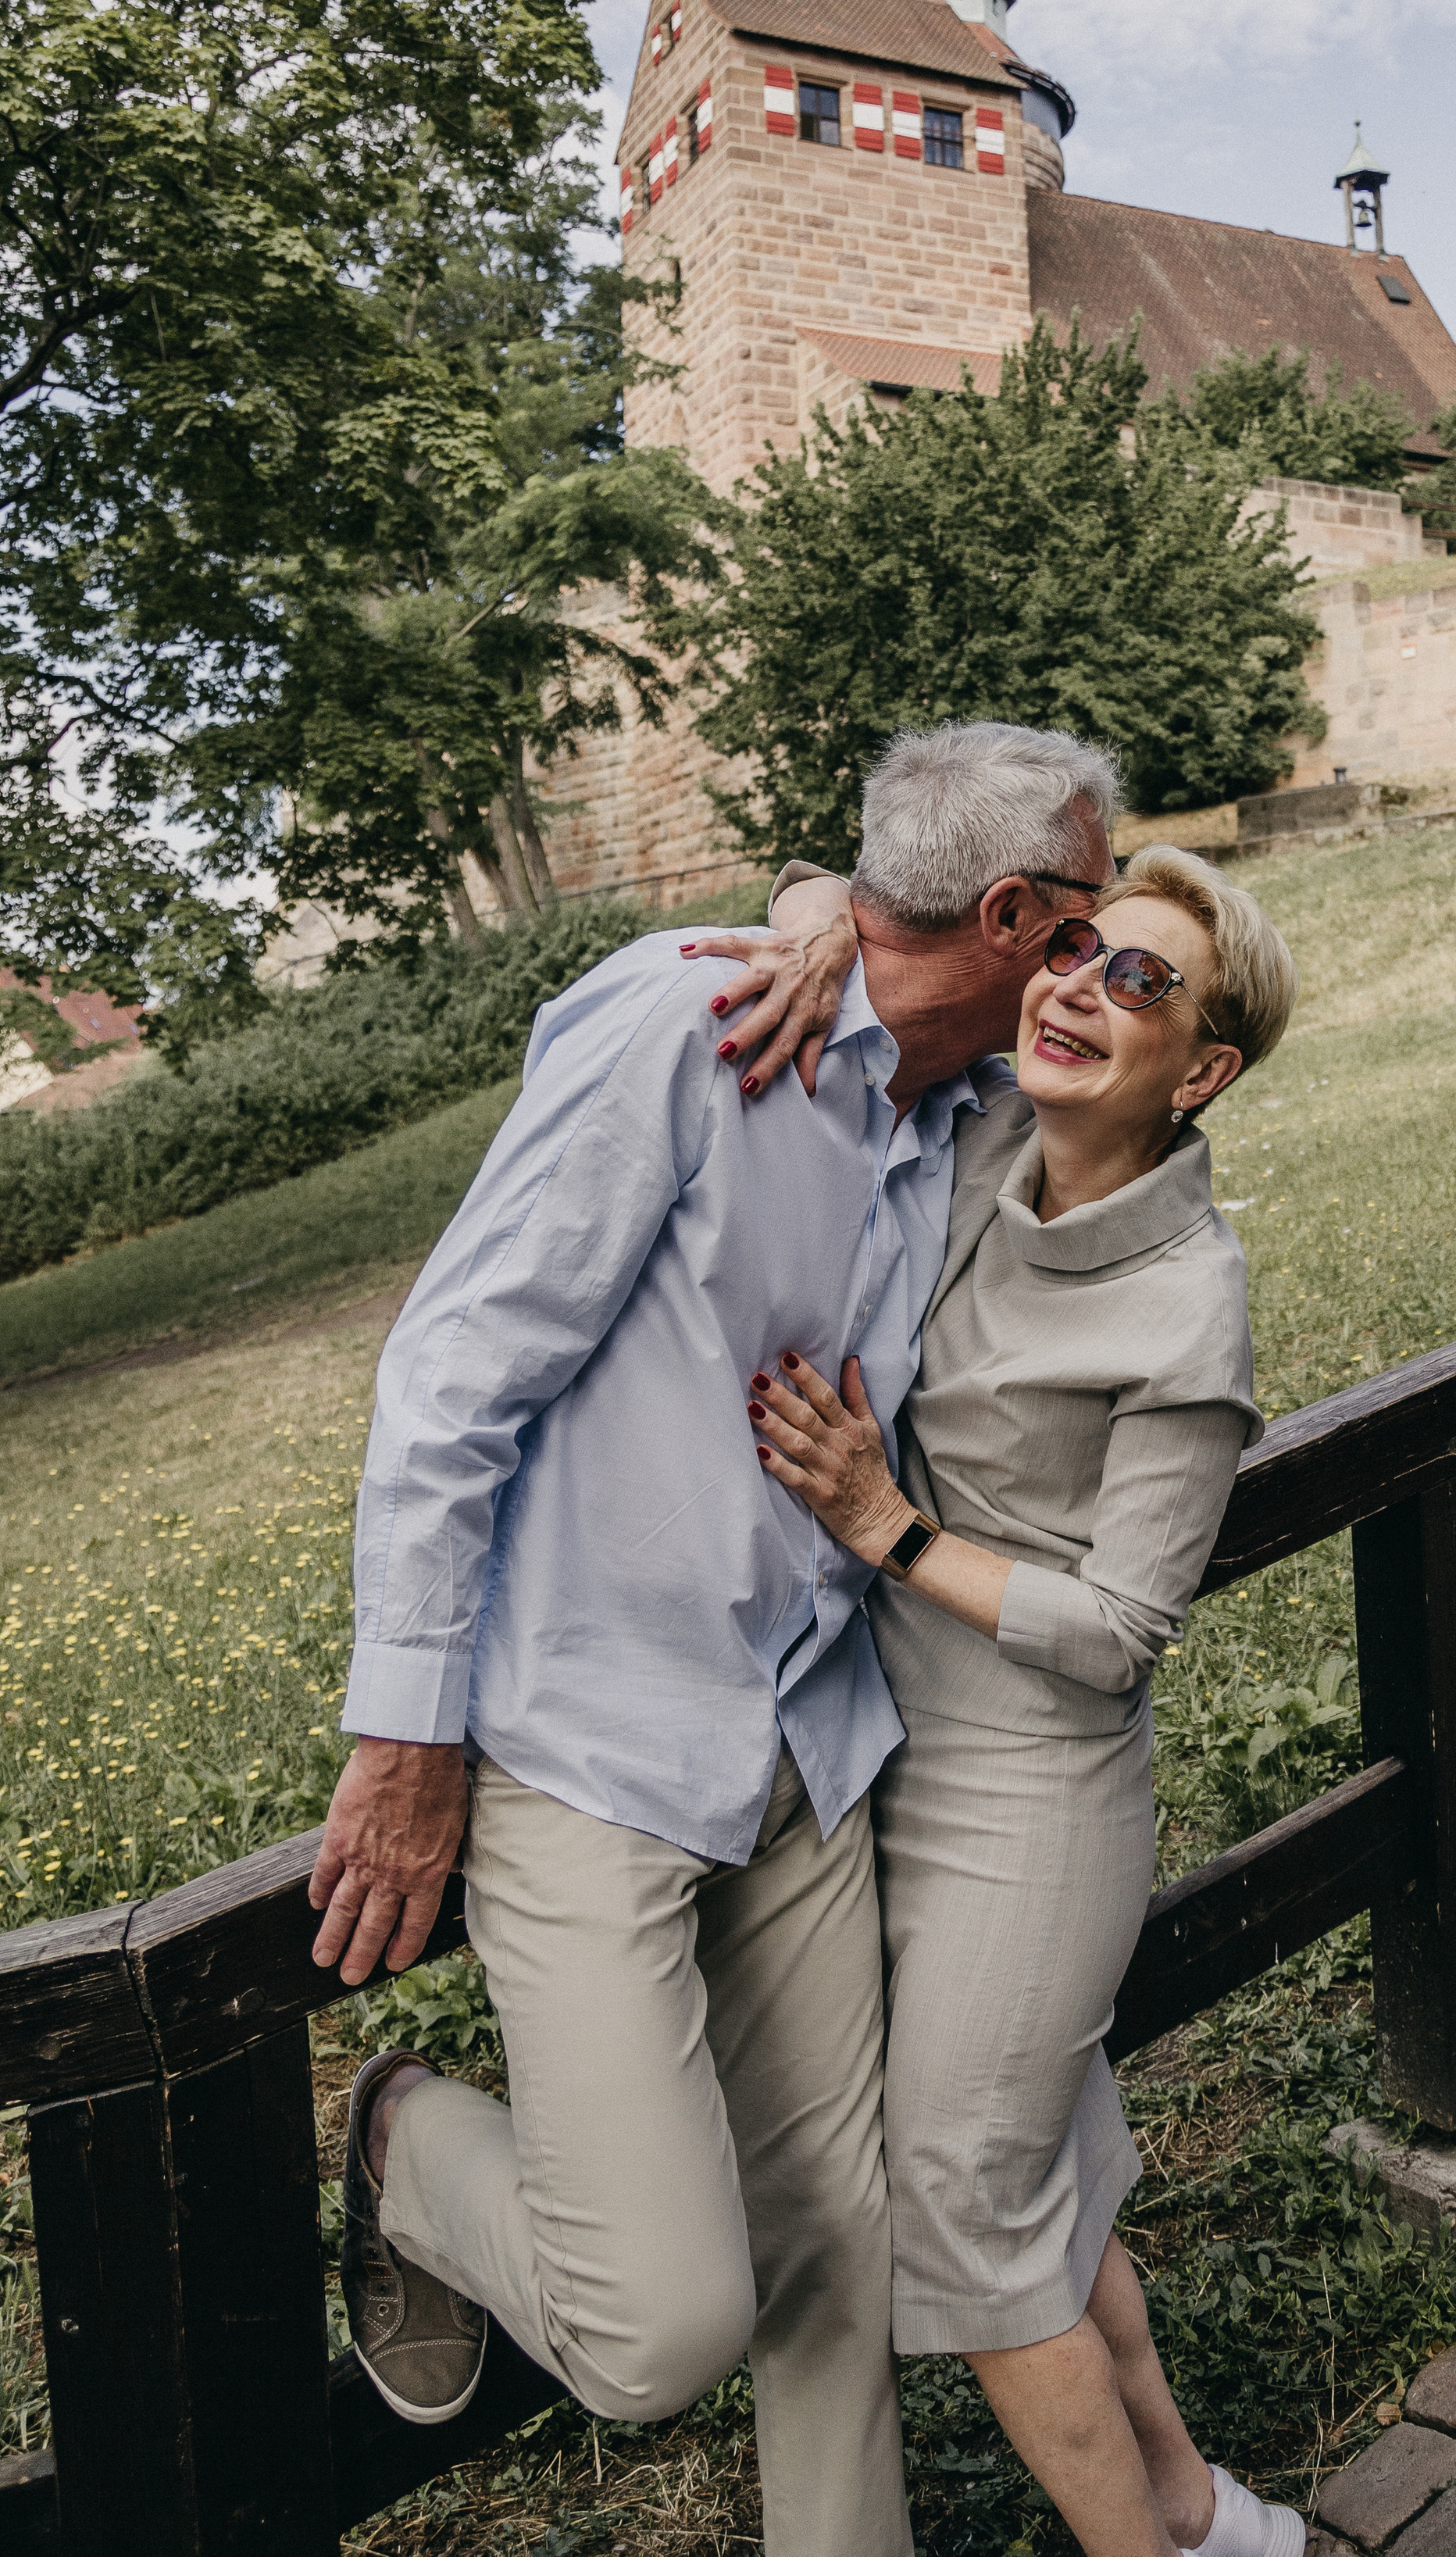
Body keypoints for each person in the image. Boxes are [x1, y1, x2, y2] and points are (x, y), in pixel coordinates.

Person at [307, 720, 1119, 2557]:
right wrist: (405, 1738)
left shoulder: (964, 1096)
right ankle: (405, 2139)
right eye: (1077, 917)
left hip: (801, 1737)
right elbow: (447, 1379)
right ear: (1007, 913)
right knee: (657, 2327)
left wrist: (826, 901)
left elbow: (1161, 1037)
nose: (1096, 948)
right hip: (590, 1744)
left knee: (840, 2250)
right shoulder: (684, 1029)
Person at [745, 846, 1306, 2557]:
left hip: (1030, 1805)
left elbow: (1121, 1625)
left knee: (970, 2217)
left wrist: (882, 1524)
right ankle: (1206, 2521)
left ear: (1197, 1073)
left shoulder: (1184, 1303)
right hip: (889, 1764)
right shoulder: (992, 1124)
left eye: (1138, 981)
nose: (1076, 986)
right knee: (1037, 2195)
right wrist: (805, 923)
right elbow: (823, 883)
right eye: (1073, 948)